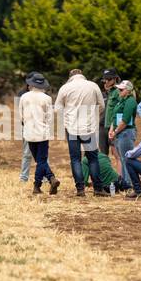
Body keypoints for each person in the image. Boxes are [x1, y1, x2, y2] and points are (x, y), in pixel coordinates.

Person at [54, 68, 108, 197]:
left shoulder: (65, 88)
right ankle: (98, 189)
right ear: (82, 75)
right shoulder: (93, 86)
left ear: (70, 76)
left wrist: (68, 117)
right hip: (89, 128)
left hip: (72, 128)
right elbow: (101, 105)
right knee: (92, 158)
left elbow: (57, 109)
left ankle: (80, 189)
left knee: (75, 159)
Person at [21, 73, 61, 195]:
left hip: (29, 133)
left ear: (31, 84)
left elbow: (21, 116)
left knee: (40, 161)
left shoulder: (24, 97)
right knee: (42, 160)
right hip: (42, 133)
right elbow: (49, 118)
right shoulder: (47, 98)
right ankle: (49, 179)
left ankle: (38, 186)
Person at [108, 80, 138, 189]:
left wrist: (115, 132)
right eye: (119, 89)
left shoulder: (130, 101)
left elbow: (125, 121)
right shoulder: (121, 100)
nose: (119, 90)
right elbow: (114, 117)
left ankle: (129, 184)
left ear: (128, 90)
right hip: (120, 132)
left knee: (127, 159)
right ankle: (125, 183)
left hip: (126, 132)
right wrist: (111, 130)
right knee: (123, 158)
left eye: (121, 89)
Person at [99, 69, 121, 156]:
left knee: (117, 154)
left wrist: (116, 128)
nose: (106, 82)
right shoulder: (102, 94)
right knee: (103, 155)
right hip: (101, 126)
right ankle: (106, 170)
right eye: (105, 80)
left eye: (109, 79)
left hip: (113, 126)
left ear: (115, 79)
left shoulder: (119, 92)